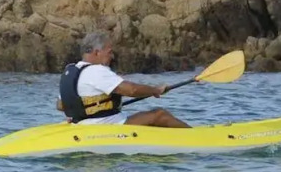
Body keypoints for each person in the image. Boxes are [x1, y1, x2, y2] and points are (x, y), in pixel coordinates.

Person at [57, 31, 189, 128]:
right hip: (107, 125)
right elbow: (132, 90)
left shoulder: (70, 70)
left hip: (80, 124)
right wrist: (156, 90)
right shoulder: (96, 70)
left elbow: (60, 105)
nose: (112, 56)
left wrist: (81, 113)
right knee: (159, 114)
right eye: (109, 52)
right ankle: (194, 136)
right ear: (97, 52)